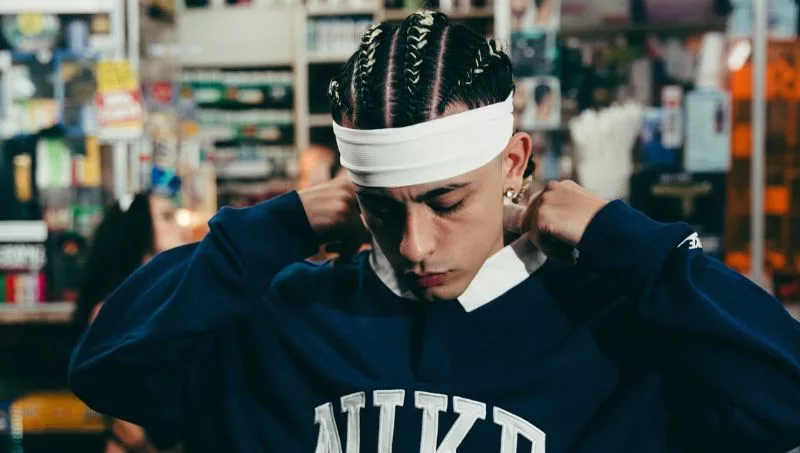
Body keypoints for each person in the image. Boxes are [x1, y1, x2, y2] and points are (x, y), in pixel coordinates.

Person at [69, 11, 800, 453]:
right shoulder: (290, 318)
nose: (414, 245)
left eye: (446, 202)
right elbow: (108, 370)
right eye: (383, 210)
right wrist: (278, 225)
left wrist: (625, 240)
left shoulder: (608, 327)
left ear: (513, 163)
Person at [73, 191, 188, 453]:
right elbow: (121, 417)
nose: (179, 226)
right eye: (166, 217)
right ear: (139, 229)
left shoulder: (167, 294)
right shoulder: (114, 309)